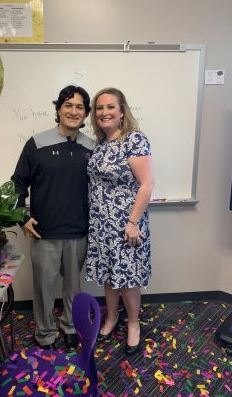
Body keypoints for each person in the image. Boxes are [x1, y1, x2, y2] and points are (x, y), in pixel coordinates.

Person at [12, 85, 93, 351]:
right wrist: (21, 217)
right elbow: (17, 183)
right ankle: (45, 333)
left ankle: (69, 327)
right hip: (44, 232)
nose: (73, 111)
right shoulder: (37, 143)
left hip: (79, 231)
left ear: (85, 113)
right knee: (44, 289)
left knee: (73, 287)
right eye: (68, 105)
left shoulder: (92, 148)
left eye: (79, 107)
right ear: (58, 109)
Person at [85, 87, 154, 356]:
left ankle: (133, 324)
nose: (104, 112)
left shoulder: (134, 140)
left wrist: (133, 222)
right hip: (101, 223)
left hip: (127, 224)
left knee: (127, 278)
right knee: (109, 274)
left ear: (122, 111)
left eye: (110, 107)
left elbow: (147, 184)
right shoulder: (99, 144)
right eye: (99, 108)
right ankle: (112, 318)